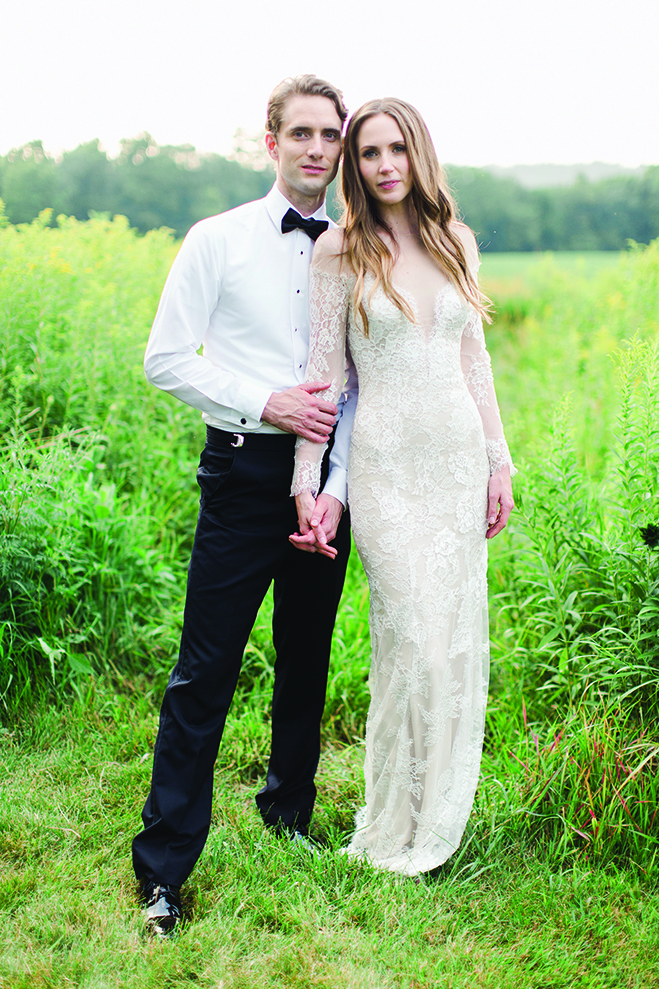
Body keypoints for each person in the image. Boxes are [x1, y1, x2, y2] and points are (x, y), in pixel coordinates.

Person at [132, 75, 357, 935]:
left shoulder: (355, 246)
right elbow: (165, 358)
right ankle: (163, 868)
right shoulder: (217, 239)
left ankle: (286, 816)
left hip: (329, 484)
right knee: (205, 670)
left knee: (307, 657)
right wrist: (266, 399)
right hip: (241, 473)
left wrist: (333, 488)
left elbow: (362, 383)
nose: (315, 149)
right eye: (298, 133)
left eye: (328, 136)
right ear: (270, 143)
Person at [290, 98, 515, 876]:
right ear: (354, 167)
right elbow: (323, 377)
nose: (384, 165)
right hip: (384, 467)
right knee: (409, 635)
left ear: (417, 154)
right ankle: (393, 817)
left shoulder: (455, 241)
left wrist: (498, 459)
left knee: (449, 639)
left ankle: (438, 813)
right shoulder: (337, 253)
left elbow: (473, 360)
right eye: (369, 154)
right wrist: (305, 484)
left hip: (454, 459)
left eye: (395, 150)